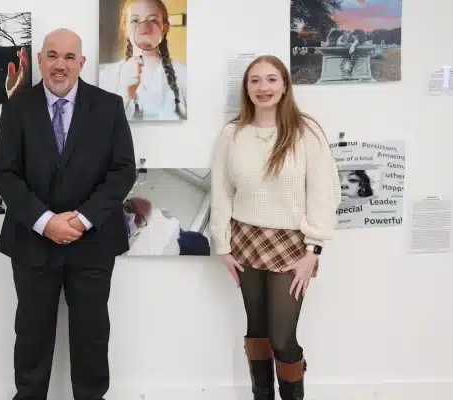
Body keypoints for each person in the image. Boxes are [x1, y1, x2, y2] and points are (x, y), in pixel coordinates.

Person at [0, 28, 136, 400]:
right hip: (31, 242)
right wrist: (46, 222)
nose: (60, 65)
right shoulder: (17, 107)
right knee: (32, 334)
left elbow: (123, 171)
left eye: (69, 57)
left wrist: (81, 220)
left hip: (93, 242)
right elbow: (5, 173)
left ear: (82, 63)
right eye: (52, 55)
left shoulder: (108, 106)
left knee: (91, 333)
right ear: (39, 60)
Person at [209, 55, 340, 399]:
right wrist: (222, 245)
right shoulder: (232, 134)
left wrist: (314, 250)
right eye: (255, 80)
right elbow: (221, 191)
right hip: (246, 240)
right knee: (258, 333)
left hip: (292, 246)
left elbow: (324, 193)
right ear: (246, 88)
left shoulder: (306, 132)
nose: (263, 87)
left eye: (271, 79)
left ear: (284, 86)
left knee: (282, 338)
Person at [98, 0, 187, 120]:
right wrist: (124, 93)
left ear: (164, 28)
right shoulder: (104, 76)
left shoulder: (185, 75)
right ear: (125, 27)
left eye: (153, 20)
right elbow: (98, 129)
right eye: (135, 20)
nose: (145, 28)